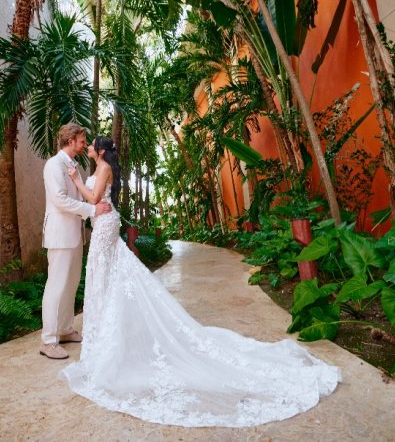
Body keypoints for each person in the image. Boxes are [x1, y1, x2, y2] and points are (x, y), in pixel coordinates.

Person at [62, 135, 341, 428]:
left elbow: (93, 200)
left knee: (105, 276)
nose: (89, 147)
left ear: (102, 150)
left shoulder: (103, 166)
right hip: (103, 225)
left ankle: (111, 340)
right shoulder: (99, 167)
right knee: (104, 278)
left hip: (105, 226)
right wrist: (81, 182)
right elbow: (93, 201)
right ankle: (108, 334)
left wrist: (75, 179)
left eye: (91, 144)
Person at [40, 123, 112, 360]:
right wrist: (92, 210)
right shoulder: (54, 165)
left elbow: (80, 194)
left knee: (70, 284)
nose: (84, 145)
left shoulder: (74, 165)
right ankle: (49, 340)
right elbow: (60, 200)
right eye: (81, 141)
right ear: (70, 140)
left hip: (74, 234)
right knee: (56, 286)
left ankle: (65, 329)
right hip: (60, 235)